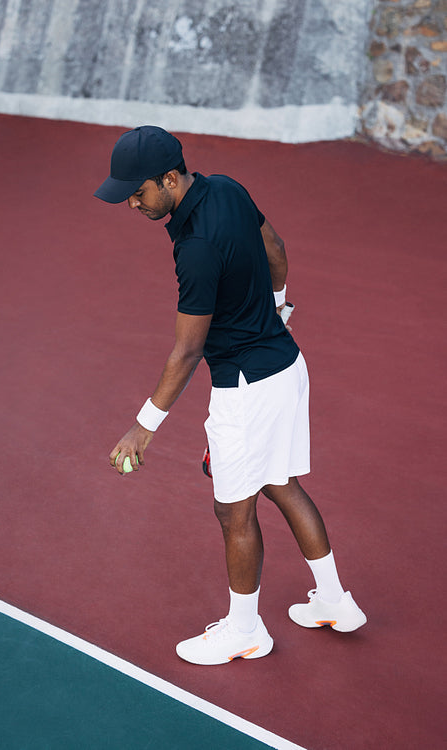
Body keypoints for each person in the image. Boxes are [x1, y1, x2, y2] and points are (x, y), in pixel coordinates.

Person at [95, 125, 366, 666]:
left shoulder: (193, 249)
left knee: (232, 512)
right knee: (281, 482)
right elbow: (276, 247)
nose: (131, 201)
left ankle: (245, 630)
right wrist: (279, 310)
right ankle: (336, 600)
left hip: (246, 388)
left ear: (170, 179)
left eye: (139, 190)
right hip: (286, 367)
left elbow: (188, 350)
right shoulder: (227, 187)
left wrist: (143, 426)